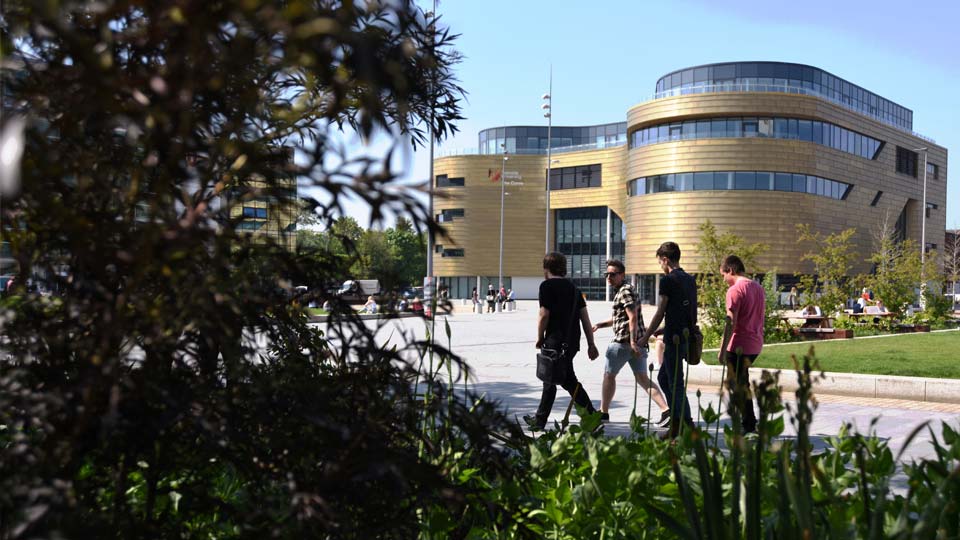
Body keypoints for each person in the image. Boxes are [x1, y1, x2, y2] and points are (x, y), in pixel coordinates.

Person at [523, 252, 600, 430]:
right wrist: (591, 344)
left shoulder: (547, 286)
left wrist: (540, 337)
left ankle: (540, 421)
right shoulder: (574, 289)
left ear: (546, 268)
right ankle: (590, 414)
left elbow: (544, 314)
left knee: (551, 380)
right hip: (571, 343)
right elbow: (585, 319)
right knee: (566, 380)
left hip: (554, 342)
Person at [592, 259, 670, 425]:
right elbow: (620, 319)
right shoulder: (624, 290)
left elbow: (632, 317)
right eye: (607, 274)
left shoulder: (625, 291)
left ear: (622, 275)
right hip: (635, 344)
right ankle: (666, 410)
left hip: (623, 344)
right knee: (643, 379)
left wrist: (633, 342)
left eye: (612, 274)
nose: (608, 277)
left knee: (609, 376)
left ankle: (603, 412)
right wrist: (600, 324)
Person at [637, 242, 697, 439]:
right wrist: (665, 328)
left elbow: (661, 310)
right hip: (685, 335)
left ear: (665, 259)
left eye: (660, 262)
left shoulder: (668, 280)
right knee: (665, 378)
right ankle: (680, 422)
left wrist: (645, 336)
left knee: (676, 383)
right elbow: (685, 311)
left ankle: (683, 426)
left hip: (675, 339)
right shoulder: (689, 279)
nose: (660, 266)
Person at [718, 255, 765, 434]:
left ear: (730, 270)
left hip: (739, 344)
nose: (724, 280)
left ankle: (748, 425)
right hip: (755, 343)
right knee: (741, 383)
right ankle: (749, 421)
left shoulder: (735, 290)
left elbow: (731, 321)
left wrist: (722, 349)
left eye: (723, 275)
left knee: (737, 385)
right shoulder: (757, 287)